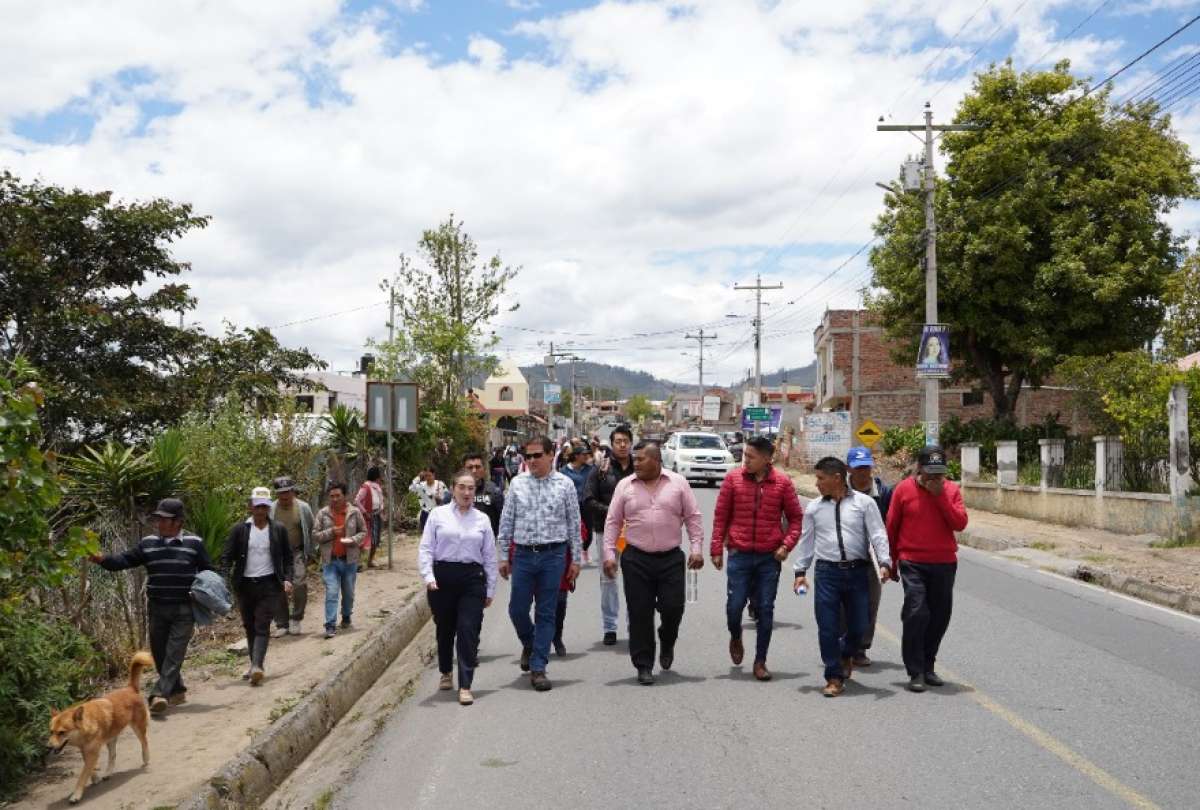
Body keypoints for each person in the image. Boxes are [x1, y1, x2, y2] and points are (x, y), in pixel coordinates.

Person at [89, 498, 213, 713]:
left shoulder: (194, 544)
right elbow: (124, 561)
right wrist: (101, 559)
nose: (159, 523)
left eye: (165, 520)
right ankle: (177, 689)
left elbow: (208, 571)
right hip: (157, 608)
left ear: (178, 522)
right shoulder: (148, 544)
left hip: (184, 608)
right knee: (160, 653)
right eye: (158, 519)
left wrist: (206, 593)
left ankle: (158, 694)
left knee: (174, 653)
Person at [603, 441, 704, 685]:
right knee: (640, 613)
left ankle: (667, 640)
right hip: (636, 558)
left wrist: (696, 548)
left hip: (670, 558)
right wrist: (609, 554)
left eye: (640, 459)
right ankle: (644, 664)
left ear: (657, 461)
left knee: (673, 608)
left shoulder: (678, 483)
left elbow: (693, 517)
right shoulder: (624, 486)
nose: (634, 463)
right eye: (634, 459)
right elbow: (613, 521)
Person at [792, 457, 892, 698]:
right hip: (827, 573)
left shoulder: (864, 503)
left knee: (859, 626)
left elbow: (878, 533)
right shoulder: (814, 507)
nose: (817, 484)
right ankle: (833, 676)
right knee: (827, 627)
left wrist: (884, 561)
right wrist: (800, 572)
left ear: (837, 478)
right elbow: (806, 541)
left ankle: (846, 653)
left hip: (857, 572)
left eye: (820, 478)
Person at [710, 435, 803, 682]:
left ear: (766, 458)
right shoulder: (733, 479)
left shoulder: (782, 483)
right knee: (734, 607)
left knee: (765, 609)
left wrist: (786, 545)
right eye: (744, 456)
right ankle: (736, 635)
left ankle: (760, 661)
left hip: (768, 558)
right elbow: (721, 516)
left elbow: (796, 519)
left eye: (751, 457)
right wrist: (716, 548)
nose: (745, 461)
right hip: (739, 554)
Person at [497, 436, 582, 692]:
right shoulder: (517, 484)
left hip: (553, 556)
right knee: (517, 609)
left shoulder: (565, 485)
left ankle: (538, 667)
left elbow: (574, 524)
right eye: (528, 456)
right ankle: (531, 643)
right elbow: (507, 521)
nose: (531, 461)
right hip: (523, 555)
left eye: (536, 455)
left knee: (546, 612)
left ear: (550, 455)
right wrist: (503, 555)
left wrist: (575, 559)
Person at [886, 445, 969, 693]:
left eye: (939, 473)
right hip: (912, 560)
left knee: (939, 616)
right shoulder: (903, 489)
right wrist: (890, 561)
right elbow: (891, 526)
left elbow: (960, 523)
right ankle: (915, 671)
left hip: (944, 563)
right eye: (930, 472)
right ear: (919, 468)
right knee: (916, 611)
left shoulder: (951, 490)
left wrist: (940, 496)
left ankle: (928, 665)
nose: (934, 478)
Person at [419, 469, 499, 706]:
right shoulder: (438, 515)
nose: (466, 492)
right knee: (445, 629)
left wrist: (490, 589)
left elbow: (490, 557)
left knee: (468, 629)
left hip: (472, 579)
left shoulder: (482, 519)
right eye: (462, 487)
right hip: (442, 578)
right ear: (452, 489)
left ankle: (466, 684)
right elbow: (426, 549)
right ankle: (446, 671)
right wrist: (428, 576)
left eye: (471, 488)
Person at [221, 487, 294, 685]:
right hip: (245, 586)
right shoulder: (240, 530)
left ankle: (257, 666)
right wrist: (224, 579)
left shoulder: (277, 529)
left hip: (270, 584)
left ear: (269, 507)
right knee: (250, 626)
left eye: (264, 506)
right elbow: (227, 556)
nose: (260, 510)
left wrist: (287, 578)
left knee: (262, 625)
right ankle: (255, 665)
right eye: (257, 506)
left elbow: (288, 558)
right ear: (250, 507)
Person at [582, 424, 636, 645]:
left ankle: (636, 625)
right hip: (606, 532)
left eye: (625, 441)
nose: (622, 445)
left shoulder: (640, 467)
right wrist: (614, 513)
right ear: (612, 444)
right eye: (618, 441)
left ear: (631, 443)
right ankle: (610, 627)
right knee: (609, 579)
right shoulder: (601, 469)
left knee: (635, 581)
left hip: (635, 533)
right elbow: (588, 499)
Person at [840, 446, 893, 667]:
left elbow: (889, 525)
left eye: (866, 467)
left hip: (871, 557)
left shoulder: (883, 493)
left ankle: (861, 647)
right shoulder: (838, 491)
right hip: (844, 556)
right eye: (858, 467)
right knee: (843, 604)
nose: (863, 472)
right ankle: (843, 645)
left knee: (870, 602)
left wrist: (886, 559)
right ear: (848, 468)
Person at [313, 482, 368, 639]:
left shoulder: (354, 512)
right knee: (331, 591)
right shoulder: (323, 514)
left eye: (338, 495)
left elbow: (363, 531)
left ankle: (346, 617)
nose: (335, 499)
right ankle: (330, 624)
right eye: (332, 496)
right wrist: (331, 532)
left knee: (349, 593)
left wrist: (353, 540)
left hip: (349, 561)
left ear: (345, 496)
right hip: (330, 561)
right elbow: (315, 535)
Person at [270, 477, 314, 636]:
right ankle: (282, 623)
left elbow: (310, 529)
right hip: (277, 554)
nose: (285, 496)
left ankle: (296, 618)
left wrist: (310, 552)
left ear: (293, 491)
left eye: (287, 492)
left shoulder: (303, 507)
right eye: (281, 493)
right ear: (277, 494)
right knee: (277, 586)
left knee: (300, 583)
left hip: (297, 552)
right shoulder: (271, 509)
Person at [560, 444, 595, 564]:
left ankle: (584, 549)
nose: (586, 456)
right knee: (573, 531)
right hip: (570, 506)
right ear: (576, 456)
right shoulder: (564, 471)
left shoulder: (590, 469)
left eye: (587, 454)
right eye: (583, 454)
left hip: (586, 505)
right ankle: (573, 555)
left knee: (589, 535)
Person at [463, 451, 505, 538]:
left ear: (484, 469)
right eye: (470, 467)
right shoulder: (455, 493)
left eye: (477, 467)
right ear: (463, 470)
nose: (474, 471)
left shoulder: (494, 491)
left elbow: (503, 521)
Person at [355, 467, 386, 569]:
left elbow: (380, 500)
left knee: (375, 539)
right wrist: (365, 512)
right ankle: (357, 562)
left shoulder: (377, 487)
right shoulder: (365, 486)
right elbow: (357, 501)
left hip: (377, 515)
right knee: (363, 538)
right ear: (376, 476)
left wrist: (381, 508)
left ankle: (370, 560)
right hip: (367, 517)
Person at [409, 468, 448, 533]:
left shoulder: (440, 484)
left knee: (439, 534)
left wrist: (441, 499)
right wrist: (418, 477)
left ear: (434, 475)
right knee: (426, 535)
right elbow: (411, 488)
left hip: (438, 513)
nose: (428, 478)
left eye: (429, 475)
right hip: (425, 513)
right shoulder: (421, 485)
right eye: (426, 476)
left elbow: (448, 496)